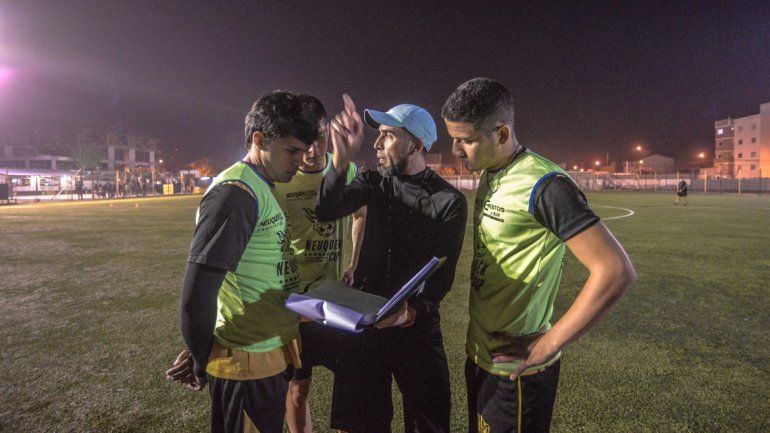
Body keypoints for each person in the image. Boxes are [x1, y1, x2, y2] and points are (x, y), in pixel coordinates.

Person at [442, 78, 636, 433]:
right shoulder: (492, 172)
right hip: (481, 356)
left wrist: (547, 343)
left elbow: (615, 271)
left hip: (516, 374)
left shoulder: (545, 185)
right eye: (454, 138)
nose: (455, 150)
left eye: (466, 140)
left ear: (501, 134)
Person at [165, 90, 320, 433]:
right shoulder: (236, 194)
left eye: (303, 151)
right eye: (292, 150)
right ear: (259, 139)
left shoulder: (262, 185)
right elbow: (196, 297)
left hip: (266, 351)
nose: (300, 160)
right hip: (246, 361)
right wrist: (202, 356)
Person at [316, 96, 467, 433]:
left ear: (415, 144)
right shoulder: (373, 182)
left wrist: (411, 313)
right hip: (366, 327)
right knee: (361, 424)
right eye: (379, 134)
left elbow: (441, 277)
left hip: (414, 330)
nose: (378, 143)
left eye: (388, 134)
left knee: (428, 420)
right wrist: (340, 162)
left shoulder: (448, 201)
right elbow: (326, 210)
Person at [275, 94, 367, 433]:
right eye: (303, 143)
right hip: (297, 303)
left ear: (328, 133)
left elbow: (361, 215)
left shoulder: (348, 169)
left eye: (318, 140)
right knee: (298, 388)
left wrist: (354, 262)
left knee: (352, 385)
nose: (312, 150)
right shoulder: (281, 181)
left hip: (339, 299)